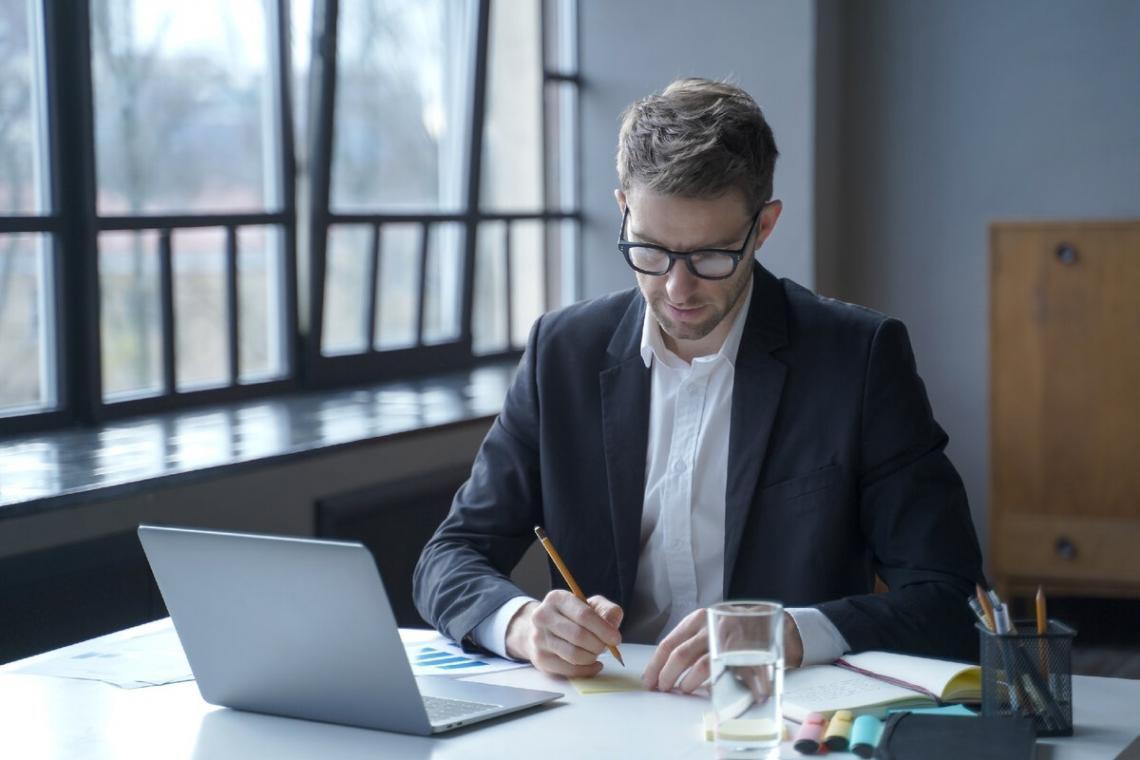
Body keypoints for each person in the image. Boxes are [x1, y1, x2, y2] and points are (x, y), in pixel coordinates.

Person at [413, 77, 984, 692]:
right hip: (603, 714)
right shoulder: (563, 353)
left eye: (711, 256)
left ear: (763, 228)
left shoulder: (858, 359)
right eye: (651, 251)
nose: (677, 290)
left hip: (775, 720)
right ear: (623, 208)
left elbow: (952, 599)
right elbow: (448, 558)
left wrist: (787, 633)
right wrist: (522, 623)